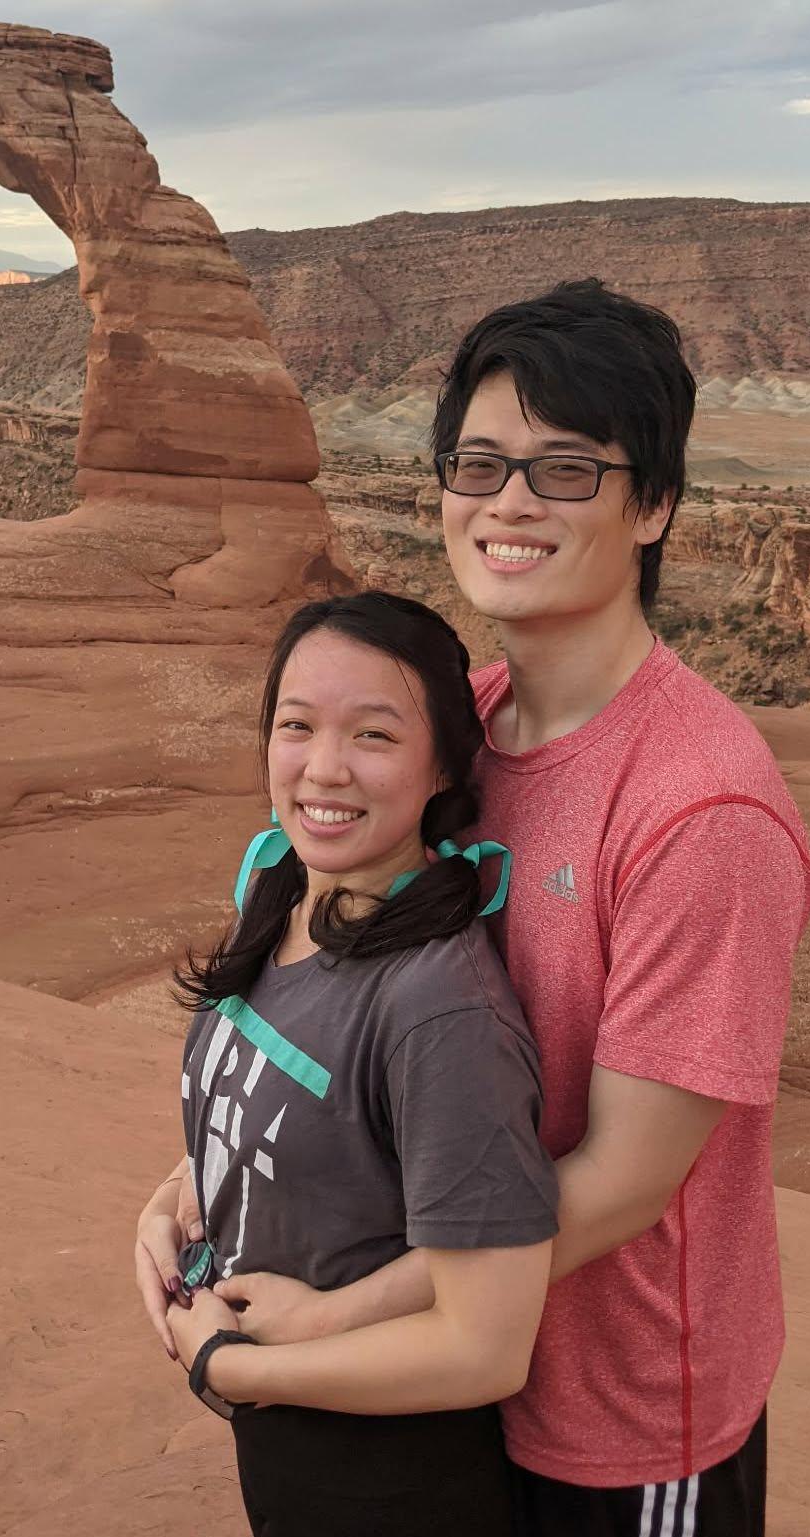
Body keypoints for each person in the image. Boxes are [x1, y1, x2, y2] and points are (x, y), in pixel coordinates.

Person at [140, 281, 810, 1537]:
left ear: (654, 503)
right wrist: (210, 1173)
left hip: (615, 1410)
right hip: (438, 1398)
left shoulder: (700, 808)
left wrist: (342, 1316)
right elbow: (353, 1003)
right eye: (481, 463)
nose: (509, 504)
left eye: (567, 470)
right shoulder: (454, 726)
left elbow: (621, 1178)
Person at [140, 591, 558, 1537]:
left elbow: (484, 1348)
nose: (323, 768)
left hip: (395, 1484)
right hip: (295, 1462)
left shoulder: (438, 1006)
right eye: (296, 726)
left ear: (443, 765)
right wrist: (165, 1211)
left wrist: (231, 1366)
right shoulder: (281, 887)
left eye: (373, 735)